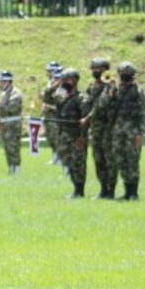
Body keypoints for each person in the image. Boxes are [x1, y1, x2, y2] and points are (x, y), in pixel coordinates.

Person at [109, 62, 145, 200]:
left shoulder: (138, 91)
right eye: (122, 74)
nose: (124, 76)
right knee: (121, 160)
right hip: (118, 131)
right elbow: (106, 105)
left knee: (132, 160)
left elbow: (143, 113)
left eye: (127, 74)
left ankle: (134, 192)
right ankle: (127, 191)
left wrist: (140, 133)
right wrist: (111, 90)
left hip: (132, 131)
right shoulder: (116, 90)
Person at [81, 58, 117, 199]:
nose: (96, 71)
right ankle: (103, 189)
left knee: (109, 160)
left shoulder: (111, 86)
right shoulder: (92, 86)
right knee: (98, 159)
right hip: (95, 130)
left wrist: (87, 118)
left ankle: (111, 190)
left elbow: (102, 105)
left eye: (99, 68)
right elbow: (87, 104)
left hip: (108, 128)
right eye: (94, 68)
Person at [53, 68, 89, 198]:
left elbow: (86, 119)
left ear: (74, 80)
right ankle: (75, 189)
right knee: (68, 162)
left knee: (78, 163)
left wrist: (82, 137)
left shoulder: (81, 98)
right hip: (64, 135)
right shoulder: (62, 95)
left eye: (66, 80)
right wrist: (58, 87)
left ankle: (80, 191)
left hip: (76, 136)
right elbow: (49, 99)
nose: (63, 83)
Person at [0, 70, 23, 174]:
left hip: (13, 125)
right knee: (7, 147)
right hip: (5, 124)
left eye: (2, 82)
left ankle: (16, 168)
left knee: (13, 147)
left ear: (7, 82)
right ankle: (11, 167)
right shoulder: (4, 93)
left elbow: (12, 108)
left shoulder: (15, 93)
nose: (0, 84)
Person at [41, 61, 61, 165]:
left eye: (50, 71)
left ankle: (60, 158)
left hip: (55, 116)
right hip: (48, 116)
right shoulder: (50, 83)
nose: (48, 73)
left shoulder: (61, 86)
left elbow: (62, 104)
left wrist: (50, 106)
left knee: (57, 137)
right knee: (50, 137)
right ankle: (54, 157)